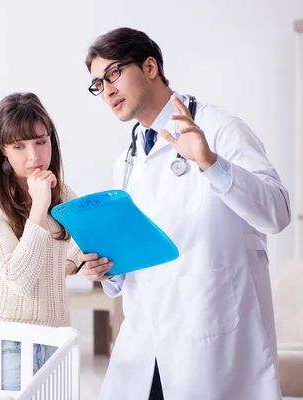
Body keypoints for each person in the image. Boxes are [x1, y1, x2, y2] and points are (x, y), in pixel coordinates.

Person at [78, 27, 291, 400]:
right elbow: (136, 260)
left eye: (113, 73)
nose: (107, 90)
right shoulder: (127, 162)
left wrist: (211, 163)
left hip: (211, 347)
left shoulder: (221, 129)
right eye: (98, 83)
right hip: (146, 350)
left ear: (150, 67)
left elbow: (277, 212)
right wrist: (106, 271)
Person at [0, 92, 82, 390]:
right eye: (19, 146)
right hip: (8, 343)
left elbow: (82, 246)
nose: (34, 156)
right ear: (2, 149)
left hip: (57, 339)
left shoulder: (65, 194)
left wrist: (72, 263)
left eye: (40, 142)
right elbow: (18, 279)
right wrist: (39, 207)